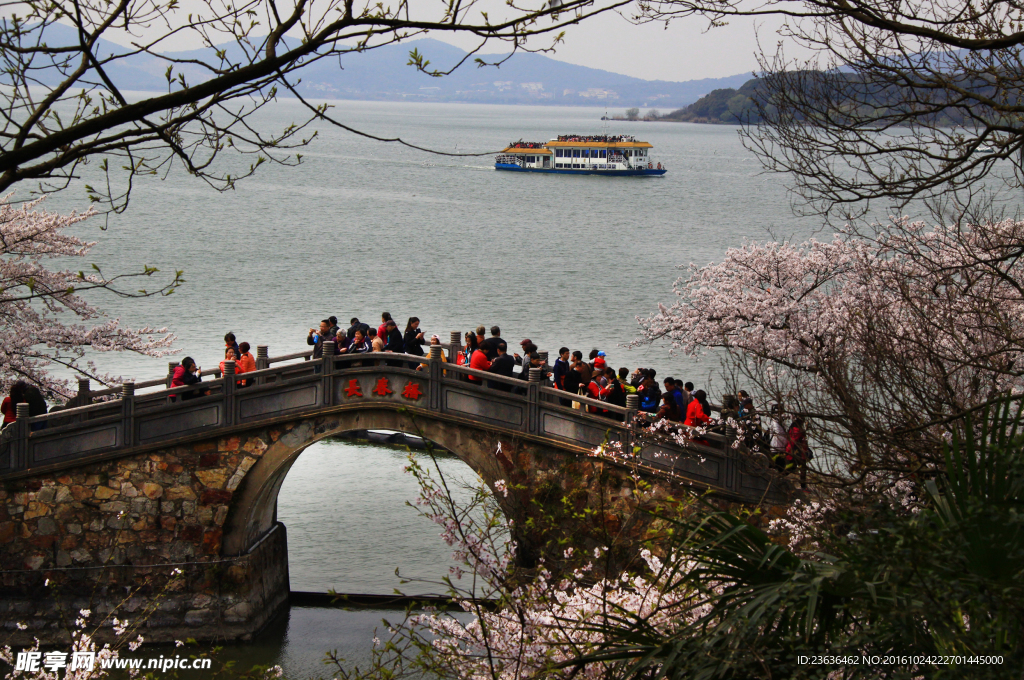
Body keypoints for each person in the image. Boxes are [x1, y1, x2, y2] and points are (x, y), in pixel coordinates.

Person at [786, 417, 810, 488]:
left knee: (791, 468)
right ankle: (803, 486)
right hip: (797, 453)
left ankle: (803, 485)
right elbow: (795, 441)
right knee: (802, 469)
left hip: (792, 451)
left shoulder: (792, 429)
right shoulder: (797, 431)